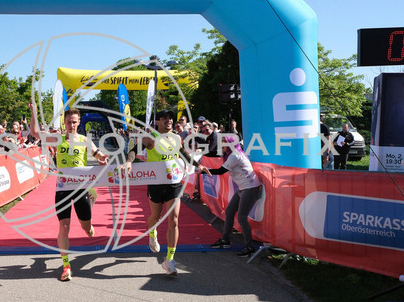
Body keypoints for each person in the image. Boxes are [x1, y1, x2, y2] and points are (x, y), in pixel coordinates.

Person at [123, 110, 209, 276]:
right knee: (155, 217)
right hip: (156, 184)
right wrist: (128, 162)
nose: (169, 120)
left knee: (174, 220)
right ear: (157, 121)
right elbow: (133, 150)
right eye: (165, 118)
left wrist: (197, 165)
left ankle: (169, 260)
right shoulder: (150, 137)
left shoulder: (176, 137)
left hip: (174, 183)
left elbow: (183, 154)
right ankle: (152, 232)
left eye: (170, 118)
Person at [29, 103, 108, 281]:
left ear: (79, 122)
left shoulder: (84, 140)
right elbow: (34, 133)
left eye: (74, 122)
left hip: (81, 188)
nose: (71, 125)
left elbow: (97, 153)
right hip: (63, 189)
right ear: (64, 123)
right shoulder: (57, 138)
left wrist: (102, 158)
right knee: (64, 226)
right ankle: (66, 266)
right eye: (69, 122)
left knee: (87, 229)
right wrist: (34, 111)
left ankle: (89, 224)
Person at [202, 136, 263, 257]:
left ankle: (249, 247)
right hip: (243, 188)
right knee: (229, 211)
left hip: (250, 188)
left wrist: (202, 170)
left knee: (241, 217)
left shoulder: (235, 155)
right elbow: (213, 154)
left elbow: (220, 171)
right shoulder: (233, 153)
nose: (222, 145)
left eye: (224, 142)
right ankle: (225, 240)